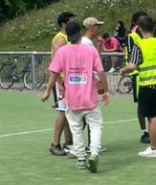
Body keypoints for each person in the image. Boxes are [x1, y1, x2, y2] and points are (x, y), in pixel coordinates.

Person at [42, 21, 110, 172]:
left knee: (76, 129)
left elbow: (54, 72)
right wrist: (106, 91)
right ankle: (94, 153)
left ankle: (80, 159)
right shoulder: (90, 51)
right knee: (96, 126)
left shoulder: (62, 52)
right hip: (90, 98)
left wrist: (47, 91)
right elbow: (100, 72)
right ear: (80, 33)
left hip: (72, 99)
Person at [119, 16, 156, 159]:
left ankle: (154, 148)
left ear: (140, 29)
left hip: (148, 85)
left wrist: (122, 70)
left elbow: (132, 66)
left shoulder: (139, 45)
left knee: (152, 117)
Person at [49, 11, 75, 157]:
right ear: (64, 24)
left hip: (68, 80)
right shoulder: (60, 40)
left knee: (68, 112)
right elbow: (56, 63)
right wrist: (59, 82)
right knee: (63, 111)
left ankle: (69, 142)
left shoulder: (67, 38)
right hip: (62, 81)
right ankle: (55, 144)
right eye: (71, 21)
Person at [124, 11, 150, 144]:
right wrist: (134, 67)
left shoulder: (150, 35)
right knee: (141, 104)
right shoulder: (132, 36)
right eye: (141, 20)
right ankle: (144, 132)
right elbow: (130, 55)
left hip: (151, 73)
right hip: (138, 74)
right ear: (135, 22)